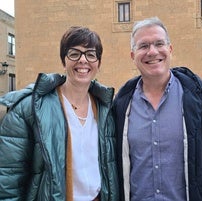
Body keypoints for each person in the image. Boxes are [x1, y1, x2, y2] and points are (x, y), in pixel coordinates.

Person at [113, 17, 202, 201]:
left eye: (159, 43)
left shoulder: (200, 98)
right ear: (132, 56)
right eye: (143, 46)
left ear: (170, 49)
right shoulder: (120, 105)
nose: (152, 51)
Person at [0, 26, 119, 201]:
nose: (83, 60)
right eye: (74, 53)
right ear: (64, 61)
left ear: (98, 63)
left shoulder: (106, 108)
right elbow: (9, 177)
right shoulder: (29, 108)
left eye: (91, 54)